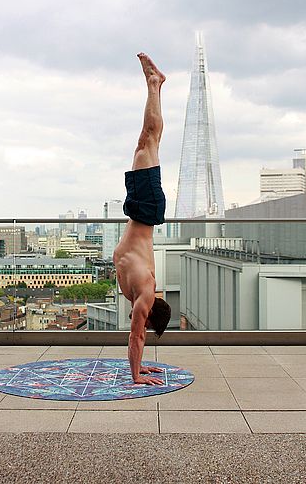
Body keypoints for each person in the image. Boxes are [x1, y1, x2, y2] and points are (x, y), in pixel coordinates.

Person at [113, 53, 172, 385]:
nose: (141, 323)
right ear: (151, 312)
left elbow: (138, 337)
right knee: (148, 139)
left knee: (146, 141)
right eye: (146, 321)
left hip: (141, 211)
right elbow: (136, 338)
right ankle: (154, 84)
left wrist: (140, 369)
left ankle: (156, 85)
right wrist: (137, 376)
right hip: (146, 209)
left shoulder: (138, 292)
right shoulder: (145, 293)